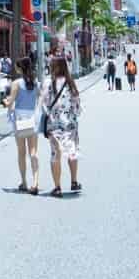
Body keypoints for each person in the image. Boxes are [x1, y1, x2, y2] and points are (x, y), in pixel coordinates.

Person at [43, 55, 82, 195]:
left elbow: (45, 104)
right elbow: (77, 104)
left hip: (54, 124)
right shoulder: (70, 83)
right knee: (71, 151)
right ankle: (74, 181)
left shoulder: (49, 83)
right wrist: (75, 116)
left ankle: (57, 187)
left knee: (55, 154)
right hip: (69, 124)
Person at [8, 59, 42, 192]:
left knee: (21, 152)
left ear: (20, 69)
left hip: (20, 118)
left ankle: (24, 182)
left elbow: (10, 102)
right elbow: (40, 98)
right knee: (33, 151)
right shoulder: (35, 83)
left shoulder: (16, 83)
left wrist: (7, 104)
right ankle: (36, 181)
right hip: (32, 116)